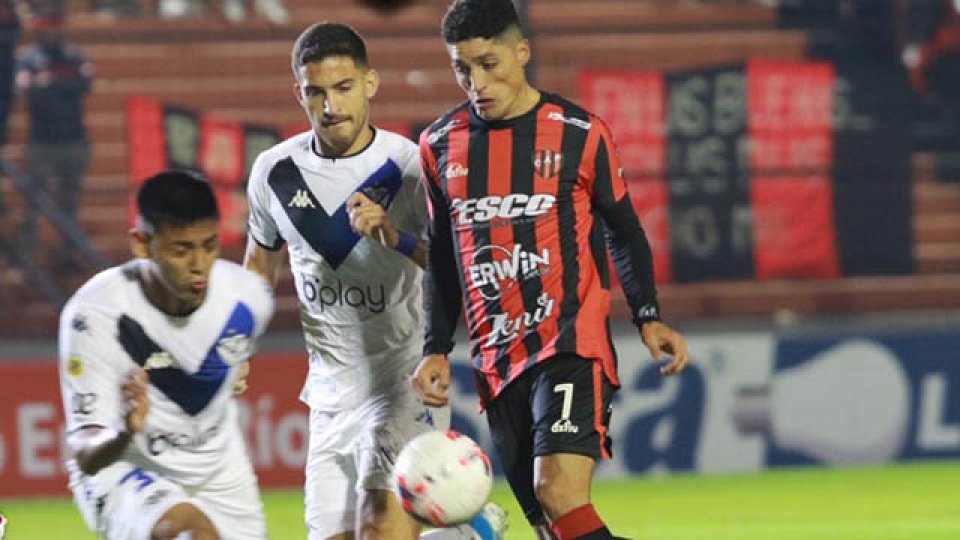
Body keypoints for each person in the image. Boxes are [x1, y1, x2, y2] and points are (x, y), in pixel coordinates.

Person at [413, 1, 691, 539]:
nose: (476, 82)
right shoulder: (439, 143)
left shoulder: (579, 133)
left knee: (558, 490)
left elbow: (623, 229)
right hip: (497, 359)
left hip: (569, 343)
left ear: (522, 52)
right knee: (553, 526)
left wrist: (647, 315)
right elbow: (444, 253)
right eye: (462, 68)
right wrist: (436, 346)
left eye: (489, 64)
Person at [243, 21, 504, 540]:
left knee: (381, 532)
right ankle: (465, 534)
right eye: (315, 92)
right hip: (329, 397)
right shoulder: (275, 172)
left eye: (343, 88)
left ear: (370, 84)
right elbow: (258, 270)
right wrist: (233, 345)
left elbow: (460, 270)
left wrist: (396, 237)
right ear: (299, 93)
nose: (330, 106)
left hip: (402, 383)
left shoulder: (408, 168)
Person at [58, 170, 275, 539]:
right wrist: (124, 430)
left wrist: (234, 366)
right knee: (191, 534)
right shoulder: (96, 314)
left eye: (209, 245)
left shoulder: (247, 299)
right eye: (181, 250)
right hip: (125, 469)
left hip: (220, 474)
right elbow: (85, 452)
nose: (199, 264)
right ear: (143, 244)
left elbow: (230, 352)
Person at [14, 12, 93, 267]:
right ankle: (26, 259)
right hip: (42, 142)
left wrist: (48, 83)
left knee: (70, 203)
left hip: (74, 140)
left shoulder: (75, 56)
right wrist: (59, 84)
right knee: (34, 202)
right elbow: (27, 88)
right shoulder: (28, 59)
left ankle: (68, 255)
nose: (51, 32)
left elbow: (85, 83)